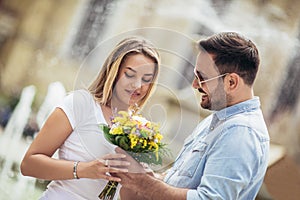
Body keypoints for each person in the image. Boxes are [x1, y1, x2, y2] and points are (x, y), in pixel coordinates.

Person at [116, 32, 270, 200]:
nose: (195, 85)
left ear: (231, 82)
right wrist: (151, 178)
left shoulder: (241, 132)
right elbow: (182, 184)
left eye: (202, 77)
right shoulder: (217, 120)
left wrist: (145, 184)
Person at [20, 36, 160, 199]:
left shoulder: (138, 130)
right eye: (130, 74)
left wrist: (140, 179)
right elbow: (28, 164)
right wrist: (84, 169)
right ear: (113, 71)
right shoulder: (81, 104)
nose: (137, 85)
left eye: (146, 79)